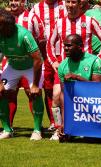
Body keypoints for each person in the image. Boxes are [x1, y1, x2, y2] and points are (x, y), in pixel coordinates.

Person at [46, 0, 101, 140]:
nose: (69, 5)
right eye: (67, 1)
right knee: (57, 96)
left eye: (73, 2)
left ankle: (88, 128)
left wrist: (98, 58)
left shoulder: (90, 20)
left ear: (80, 4)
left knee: (89, 97)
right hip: (66, 67)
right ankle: (58, 128)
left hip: (86, 66)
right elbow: (50, 44)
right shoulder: (59, 22)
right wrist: (54, 62)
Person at [0, 9, 44, 140]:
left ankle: (37, 131)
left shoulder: (24, 35)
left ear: (8, 26)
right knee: (0, 92)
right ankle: (7, 130)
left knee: (35, 93)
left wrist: (35, 84)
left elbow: (37, 59)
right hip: (13, 66)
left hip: (31, 67)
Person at [57, 34, 101, 139]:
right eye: (64, 45)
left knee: (92, 138)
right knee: (56, 96)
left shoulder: (94, 61)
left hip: (93, 103)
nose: (65, 48)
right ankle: (60, 127)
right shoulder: (62, 66)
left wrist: (77, 77)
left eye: (69, 46)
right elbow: (64, 95)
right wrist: (65, 123)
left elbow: (98, 89)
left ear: (80, 46)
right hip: (75, 103)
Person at [30, 0, 67, 131]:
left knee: (66, 88)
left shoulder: (66, 4)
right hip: (45, 55)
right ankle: (54, 122)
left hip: (65, 54)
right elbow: (31, 31)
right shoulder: (36, 8)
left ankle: (70, 122)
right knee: (48, 88)